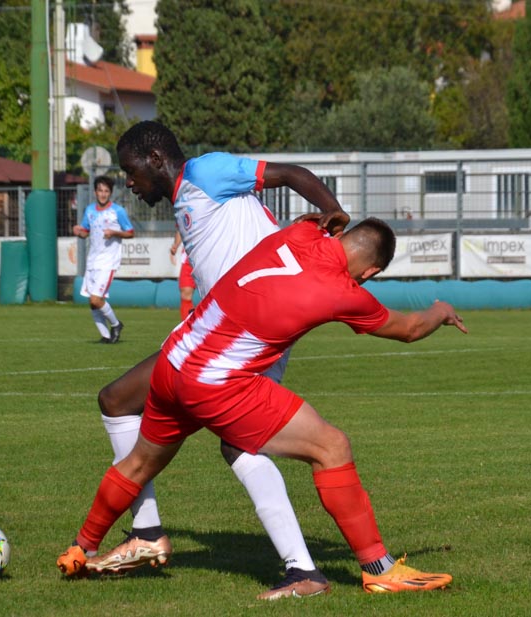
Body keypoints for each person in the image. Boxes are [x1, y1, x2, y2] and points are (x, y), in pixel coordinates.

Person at [58, 217, 466, 594]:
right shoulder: (344, 292)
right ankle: (379, 570)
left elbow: (314, 217)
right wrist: (441, 310)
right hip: (216, 383)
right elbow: (410, 329)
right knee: (331, 446)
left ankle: (81, 548)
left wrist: (329, 216)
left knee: (138, 463)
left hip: (172, 362)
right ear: (371, 272)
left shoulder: (301, 232)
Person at [88, 120, 350, 600]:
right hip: (213, 334)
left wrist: (333, 211)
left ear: (155, 159)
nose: (129, 182)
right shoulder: (187, 199)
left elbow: (290, 173)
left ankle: (303, 570)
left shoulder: (206, 171)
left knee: (238, 443)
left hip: (249, 336)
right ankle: (146, 533)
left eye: (130, 171)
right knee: (117, 400)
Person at [72, 175, 134, 344]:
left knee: (96, 299)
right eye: (100, 190)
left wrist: (114, 232)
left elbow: (130, 232)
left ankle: (116, 324)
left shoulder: (118, 211)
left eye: (106, 191)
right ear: (95, 192)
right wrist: (79, 231)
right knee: (92, 302)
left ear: (110, 193)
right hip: (92, 261)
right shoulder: (90, 210)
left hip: (108, 261)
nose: (103, 194)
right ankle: (106, 336)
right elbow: (86, 232)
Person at [170, 230, 195, 320]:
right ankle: (188, 326)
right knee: (185, 293)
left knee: (213, 294)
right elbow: (181, 227)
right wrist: (176, 245)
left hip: (210, 253)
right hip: (189, 255)